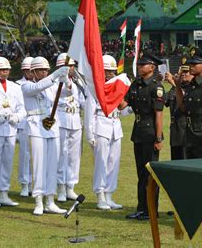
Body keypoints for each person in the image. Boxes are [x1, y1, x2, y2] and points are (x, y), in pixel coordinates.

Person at [22, 56, 69, 215]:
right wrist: (55, 75)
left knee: (52, 164)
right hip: (36, 126)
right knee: (38, 164)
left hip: (51, 126)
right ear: (33, 71)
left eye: (46, 70)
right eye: (41, 70)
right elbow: (37, 88)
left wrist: (66, 78)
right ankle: (38, 201)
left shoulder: (51, 85)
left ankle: (50, 200)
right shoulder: (26, 85)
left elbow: (67, 92)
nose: (44, 72)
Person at [121, 52, 165, 221]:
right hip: (138, 131)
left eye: (142, 65)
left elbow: (159, 115)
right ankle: (141, 208)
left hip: (150, 132)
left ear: (152, 67)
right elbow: (122, 105)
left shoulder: (156, 87)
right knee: (141, 173)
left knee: (150, 173)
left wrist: (158, 138)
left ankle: (151, 209)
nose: (139, 67)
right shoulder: (136, 84)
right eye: (138, 64)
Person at [85, 55, 128, 210]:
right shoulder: (94, 87)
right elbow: (89, 111)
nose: (110, 74)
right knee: (101, 163)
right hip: (100, 126)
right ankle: (100, 194)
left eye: (112, 71)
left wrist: (134, 107)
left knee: (113, 162)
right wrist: (89, 134)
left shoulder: (116, 86)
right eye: (107, 71)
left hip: (115, 126)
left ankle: (109, 194)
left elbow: (122, 110)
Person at [0, 57, 26, 207]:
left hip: (10, 129)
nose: (5, 72)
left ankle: (4, 192)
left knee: (7, 162)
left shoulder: (15, 87)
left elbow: (22, 108)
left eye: (7, 69)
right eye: (2, 70)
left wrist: (17, 117)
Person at [55, 53, 85, 203]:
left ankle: (70, 187)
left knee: (74, 157)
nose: (71, 68)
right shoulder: (55, 82)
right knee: (61, 155)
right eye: (68, 66)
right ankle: (60, 187)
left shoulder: (78, 82)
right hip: (61, 120)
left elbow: (82, 102)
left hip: (75, 120)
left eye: (72, 66)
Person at [164, 56, 192, 160]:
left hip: (186, 132)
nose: (184, 74)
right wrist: (157, 83)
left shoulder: (192, 87)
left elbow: (186, 99)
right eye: (182, 72)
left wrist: (175, 84)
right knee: (176, 161)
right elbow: (164, 100)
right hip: (175, 131)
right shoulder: (174, 88)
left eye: (186, 72)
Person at [16, 57, 34, 197]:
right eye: (27, 70)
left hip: (36, 123)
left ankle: (33, 184)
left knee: (37, 156)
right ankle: (24, 184)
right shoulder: (17, 85)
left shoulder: (40, 84)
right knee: (25, 155)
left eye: (31, 70)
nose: (30, 73)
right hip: (22, 123)